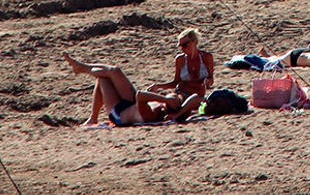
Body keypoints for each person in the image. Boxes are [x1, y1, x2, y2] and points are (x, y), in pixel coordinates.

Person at [63, 53, 200, 127]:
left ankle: (93, 118)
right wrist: (179, 110)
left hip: (119, 113)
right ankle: (82, 67)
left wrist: (164, 99)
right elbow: (196, 98)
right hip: (130, 102)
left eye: (175, 97)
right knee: (115, 70)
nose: (175, 94)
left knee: (103, 79)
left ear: (172, 105)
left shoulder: (153, 113)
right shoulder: (172, 107)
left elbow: (140, 95)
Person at [149, 28, 214, 99]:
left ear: (194, 42)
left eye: (185, 45)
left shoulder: (206, 57)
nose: (182, 49)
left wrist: (208, 81)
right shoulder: (180, 59)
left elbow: (211, 79)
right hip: (182, 94)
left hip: (198, 97)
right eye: (181, 46)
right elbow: (175, 82)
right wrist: (158, 86)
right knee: (171, 99)